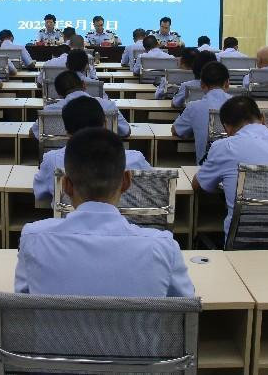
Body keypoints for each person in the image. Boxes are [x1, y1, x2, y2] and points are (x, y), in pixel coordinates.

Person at [15, 127, 194, 297]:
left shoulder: (33, 239)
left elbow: (22, 303)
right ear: (126, 182)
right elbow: (186, 307)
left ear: (65, 185)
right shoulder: (163, 247)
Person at [194, 96, 268, 239]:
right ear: (263, 119)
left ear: (227, 128)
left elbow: (199, 185)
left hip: (245, 242)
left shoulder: (225, 147)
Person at [33, 96, 151, 202]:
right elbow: (152, 192)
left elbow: (40, 195)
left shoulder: (52, 161)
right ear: (106, 124)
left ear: (67, 133)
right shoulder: (136, 159)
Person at [31, 71, 130, 138]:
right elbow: (126, 132)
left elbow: (34, 133)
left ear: (58, 93)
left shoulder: (49, 110)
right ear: (84, 85)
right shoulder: (108, 106)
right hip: (103, 158)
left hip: (63, 159)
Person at [172, 62, 233, 164]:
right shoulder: (241, 107)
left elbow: (176, 130)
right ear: (227, 83)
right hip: (236, 167)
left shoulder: (193, 107)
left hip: (206, 167)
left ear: (202, 84)